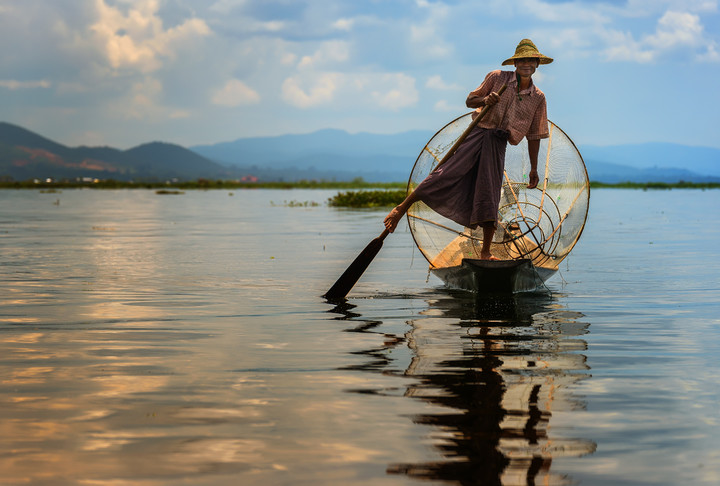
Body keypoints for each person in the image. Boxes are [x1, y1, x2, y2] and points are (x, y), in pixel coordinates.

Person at [384, 39, 552, 260]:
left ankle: (485, 252)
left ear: (537, 64)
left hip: (497, 143)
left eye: (531, 60)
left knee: (490, 193)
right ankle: (401, 208)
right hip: (478, 132)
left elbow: (534, 136)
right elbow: (469, 100)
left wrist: (533, 169)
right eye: (522, 60)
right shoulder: (497, 77)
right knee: (445, 174)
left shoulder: (538, 98)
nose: (526, 64)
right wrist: (486, 99)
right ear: (515, 63)